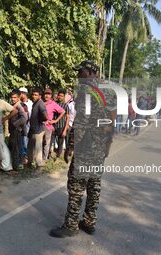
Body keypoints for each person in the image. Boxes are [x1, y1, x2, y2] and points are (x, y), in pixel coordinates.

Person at [50, 60, 116, 238]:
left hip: (85, 149)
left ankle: (71, 226)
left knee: (76, 186)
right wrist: (107, 146)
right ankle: (89, 222)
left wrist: (70, 147)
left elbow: (80, 124)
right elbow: (112, 120)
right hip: (99, 149)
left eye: (81, 72)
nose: (78, 75)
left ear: (90, 72)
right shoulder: (109, 91)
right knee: (94, 186)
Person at [27, 88, 48, 172]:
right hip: (33, 129)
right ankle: (30, 162)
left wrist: (41, 119)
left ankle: (38, 166)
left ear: (40, 96)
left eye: (36, 95)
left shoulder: (40, 104)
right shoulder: (34, 103)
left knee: (38, 148)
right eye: (33, 94)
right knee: (30, 146)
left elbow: (46, 116)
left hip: (39, 130)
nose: (34, 96)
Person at [43, 88, 64, 160]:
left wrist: (55, 121)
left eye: (48, 94)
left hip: (48, 127)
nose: (47, 96)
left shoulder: (53, 104)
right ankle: (39, 157)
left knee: (46, 143)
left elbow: (63, 112)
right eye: (46, 94)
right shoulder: (41, 102)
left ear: (51, 95)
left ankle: (44, 158)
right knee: (39, 143)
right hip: (39, 126)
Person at [8, 89, 27, 171]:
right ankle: (16, 165)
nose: (13, 99)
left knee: (16, 149)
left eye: (15, 97)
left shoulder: (19, 106)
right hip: (13, 130)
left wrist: (15, 124)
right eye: (12, 97)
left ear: (19, 97)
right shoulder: (13, 105)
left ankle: (16, 167)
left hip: (17, 130)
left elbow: (24, 117)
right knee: (14, 148)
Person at [54, 90, 70, 159]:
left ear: (64, 97)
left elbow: (67, 118)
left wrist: (65, 130)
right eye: (59, 95)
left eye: (62, 96)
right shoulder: (54, 104)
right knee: (52, 141)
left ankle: (58, 156)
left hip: (61, 126)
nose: (60, 97)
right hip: (53, 126)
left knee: (60, 142)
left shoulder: (66, 106)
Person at [19, 87, 32, 163]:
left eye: (23, 93)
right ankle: (22, 157)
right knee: (21, 141)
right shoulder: (18, 103)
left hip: (28, 126)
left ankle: (26, 157)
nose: (21, 94)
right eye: (20, 93)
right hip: (20, 126)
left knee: (25, 142)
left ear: (26, 94)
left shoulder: (30, 103)